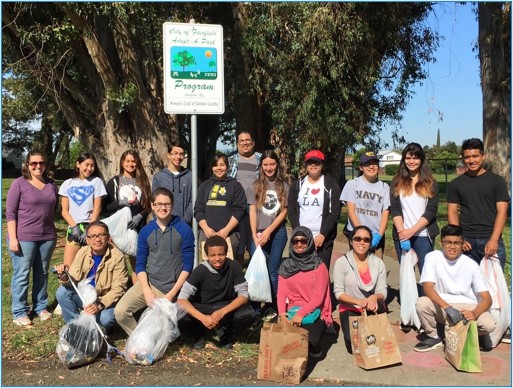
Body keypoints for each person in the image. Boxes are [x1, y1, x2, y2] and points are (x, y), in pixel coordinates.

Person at [115, 188, 194, 335]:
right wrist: (146, 290)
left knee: (168, 328)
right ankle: (140, 338)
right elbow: (140, 264)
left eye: (167, 204)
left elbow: (188, 265)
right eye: (158, 204)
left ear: (172, 205)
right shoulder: (146, 231)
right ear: (152, 205)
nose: (162, 208)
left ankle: (155, 337)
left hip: (174, 288)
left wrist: (171, 294)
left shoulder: (184, 229)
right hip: (150, 284)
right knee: (120, 312)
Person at [414, 224, 495, 352]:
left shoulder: (471, 265)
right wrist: (447, 307)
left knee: (489, 325)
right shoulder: (432, 257)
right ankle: (434, 336)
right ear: (442, 243)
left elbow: (487, 299)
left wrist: (474, 314)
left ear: (463, 244)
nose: (452, 247)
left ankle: (463, 333)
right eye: (448, 242)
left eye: (457, 243)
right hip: (443, 305)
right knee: (422, 303)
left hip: (466, 305)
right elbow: (428, 288)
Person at [6, 150, 58, 327]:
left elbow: (54, 209)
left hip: (47, 237)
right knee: (22, 273)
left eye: (41, 163)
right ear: (27, 165)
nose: (38, 166)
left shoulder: (51, 185)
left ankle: (40, 306)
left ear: (46, 165)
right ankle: (19, 311)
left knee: (42, 273)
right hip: (24, 237)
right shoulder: (19, 184)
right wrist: (13, 238)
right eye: (33, 163)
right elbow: (10, 213)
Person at [177, 235, 256, 350]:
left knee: (249, 314)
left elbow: (243, 296)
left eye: (221, 254)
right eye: (212, 255)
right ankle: (200, 333)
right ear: (206, 256)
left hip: (225, 305)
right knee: (179, 315)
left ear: (226, 253)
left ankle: (225, 332)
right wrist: (202, 317)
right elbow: (181, 299)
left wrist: (223, 311)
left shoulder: (234, 266)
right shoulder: (200, 270)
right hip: (202, 306)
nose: (217, 259)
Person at [54, 221, 128, 332]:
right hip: (85, 296)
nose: (98, 239)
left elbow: (119, 288)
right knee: (62, 292)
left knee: (106, 319)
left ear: (108, 237)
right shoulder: (82, 252)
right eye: (93, 236)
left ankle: (93, 329)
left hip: (104, 299)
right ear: (87, 240)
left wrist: (99, 304)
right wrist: (65, 277)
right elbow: (74, 277)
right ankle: (74, 326)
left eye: (102, 235)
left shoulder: (117, 256)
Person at [447, 138, 509, 269]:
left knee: (493, 287)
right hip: (466, 242)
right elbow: (452, 212)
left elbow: (502, 211)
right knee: (467, 287)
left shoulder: (497, 181)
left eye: (475, 156)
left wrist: (494, 239)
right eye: (467, 157)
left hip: (490, 240)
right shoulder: (456, 184)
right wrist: (459, 238)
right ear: (463, 159)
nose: (471, 160)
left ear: (483, 156)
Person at [277, 226, 333, 358]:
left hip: (315, 311)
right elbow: (281, 293)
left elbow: (319, 298)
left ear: (309, 242)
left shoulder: (319, 266)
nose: (299, 244)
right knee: (274, 332)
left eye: (303, 240)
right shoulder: (286, 266)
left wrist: (301, 314)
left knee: (310, 339)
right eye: (295, 241)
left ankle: (316, 346)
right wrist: (282, 314)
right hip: (291, 310)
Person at [247, 150, 289, 319]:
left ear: (277, 165)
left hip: (277, 233)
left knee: (272, 270)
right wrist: (255, 235)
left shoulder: (284, 186)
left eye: (272, 164)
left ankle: (271, 306)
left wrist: (269, 231)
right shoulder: (255, 185)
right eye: (266, 164)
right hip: (257, 234)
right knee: (258, 270)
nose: (269, 168)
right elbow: (251, 211)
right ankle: (255, 305)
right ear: (261, 166)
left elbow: (283, 212)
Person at [333, 225, 388, 354]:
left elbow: (383, 292)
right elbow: (339, 292)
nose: (361, 242)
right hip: (350, 306)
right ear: (351, 241)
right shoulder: (342, 262)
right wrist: (358, 301)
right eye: (357, 238)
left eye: (366, 239)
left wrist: (374, 297)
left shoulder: (378, 263)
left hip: (372, 306)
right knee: (354, 346)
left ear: (370, 243)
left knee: (376, 342)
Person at [390, 142, 439, 274]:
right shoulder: (396, 182)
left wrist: (412, 231)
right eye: (408, 158)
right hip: (402, 236)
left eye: (415, 158)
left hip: (423, 236)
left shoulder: (431, 182)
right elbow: (395, 209)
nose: (411, 161)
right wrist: (403, 233)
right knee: (407, 276)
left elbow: (431, 211)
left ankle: (424, 296)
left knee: (426, 275)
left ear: (421, 159)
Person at [288, 150, 341, 270]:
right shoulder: (298, 185)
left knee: (320, 272)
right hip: (301, 238)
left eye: (317, 162)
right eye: (310, 162)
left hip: (322, 238)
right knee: (300, 272)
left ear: (322, 164)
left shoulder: (330, 184)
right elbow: (292, 212)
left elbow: (335, 212)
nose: (313, 165)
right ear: (306, 165)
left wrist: (323, 234)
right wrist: (299, 233)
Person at [104, 150, 151, 284]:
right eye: (128, 161)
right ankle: (116, 291)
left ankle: (138, 290)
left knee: (137, 261)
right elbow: (106, 207)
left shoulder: (142, 181)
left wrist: (139, 217)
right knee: (115, 261)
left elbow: (148, 206)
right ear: (122, 163)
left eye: (133, 161)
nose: (131, 164)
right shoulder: (114, 182)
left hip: (137, 227)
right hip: (118, 228)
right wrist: (121, 203)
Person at [194, 153, 247, 265]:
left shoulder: (235, 186)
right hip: (207, 234)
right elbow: (198, 210)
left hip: (230, 234)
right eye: (215, 165)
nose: (219, 168)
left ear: (227, 166)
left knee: (230, 267)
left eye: (222, 165)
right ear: (211, 167)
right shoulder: (204, 186)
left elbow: (240, 209)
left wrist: (226, 230)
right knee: (209, 267)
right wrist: (206, 229)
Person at [59, 152, 107, 269]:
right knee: (69, 267)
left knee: (92, 266)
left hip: (91, 228)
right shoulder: (67, 184)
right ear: (78, 164)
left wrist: (89, 229)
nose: (89, 168)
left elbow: (97, 207)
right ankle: (70, 287)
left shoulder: (96, 182)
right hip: (74, 229)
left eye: (92, 166)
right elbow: (64, 210)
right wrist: (74, 226)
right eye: (86, 165)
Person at [340, 151, 390, 257]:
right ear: (361, 167)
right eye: (367, 163)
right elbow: (351, 211)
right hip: (357, 235)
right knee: (357, 268)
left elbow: (385, 213)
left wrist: (379, 235)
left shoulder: (384, 187)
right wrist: (362, 233)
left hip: (376, 235)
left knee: (376, 269)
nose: (371, 166)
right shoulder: (353, 184)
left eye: (374, 163)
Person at [228, 131, 262, 264]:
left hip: (257, 206)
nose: (244, 143)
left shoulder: (260, 158)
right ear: (237, 143)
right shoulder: (231, 159)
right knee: (238, 243)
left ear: (253, 143)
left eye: (247, 140)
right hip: (237, 207)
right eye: (241, 141)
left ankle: (255, 270)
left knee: (254, 240)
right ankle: (238, 270)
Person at [152, 140, 193, 225]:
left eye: (181, 154)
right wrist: (161, 222)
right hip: (163, 226)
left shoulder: (190, 176)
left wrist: (184, 222)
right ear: (168, 154)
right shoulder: (159, 177)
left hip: (184, 226)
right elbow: (154, 201)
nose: (178, 157)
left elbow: (193, 201)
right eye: (175, 153)